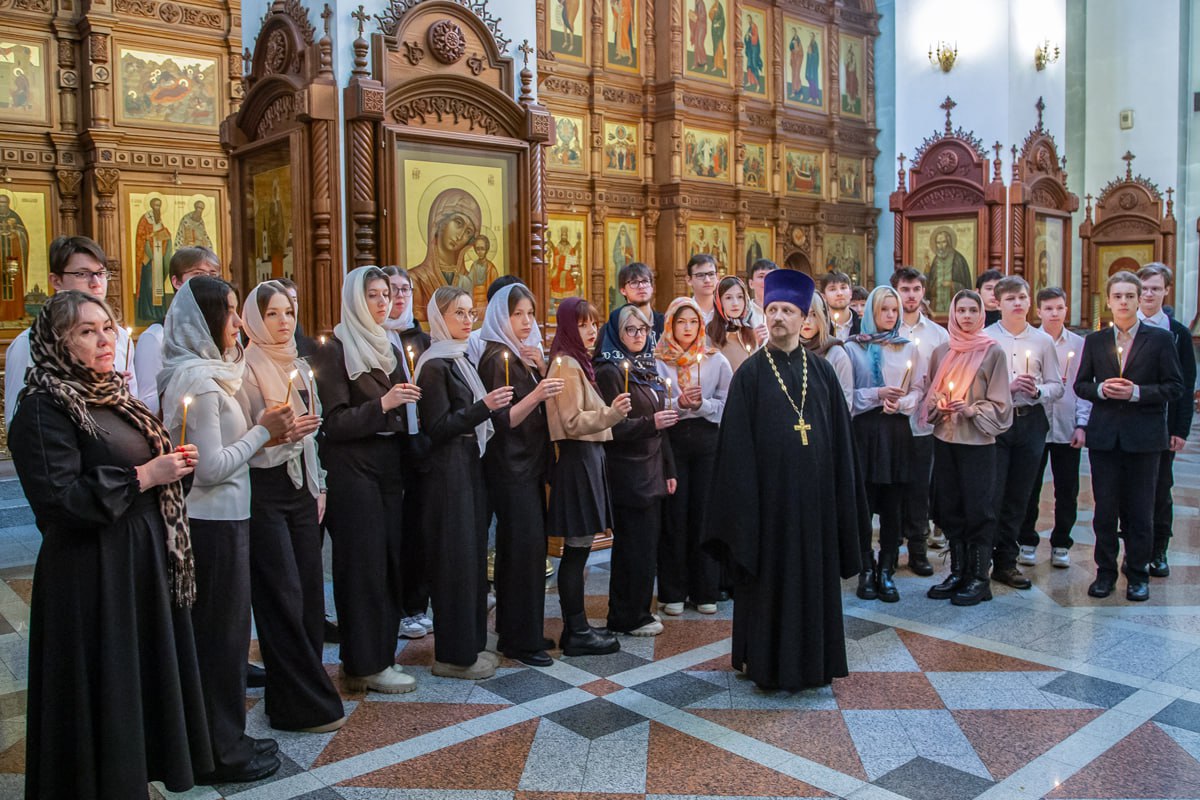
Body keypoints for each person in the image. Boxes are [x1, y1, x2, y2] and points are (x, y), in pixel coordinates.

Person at [10, 291, 212, 798]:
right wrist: (145, 475)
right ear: (58, 342)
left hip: (139, 561)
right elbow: (60, 501)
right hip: (92, 572)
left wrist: (174, 467)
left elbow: (147, 470)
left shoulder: (111, 396)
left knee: (136, 680)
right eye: (86, 331)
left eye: (108, 327)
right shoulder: (43, 408)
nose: (105, 339)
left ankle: (130, 778)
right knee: (103, 684)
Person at [702, 269, 867, 689]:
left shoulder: (824, 372)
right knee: (769, 583)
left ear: (804, 317)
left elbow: (842, 448)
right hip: (768, 509)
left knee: (813, 581)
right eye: (772, 309)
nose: (778, 317)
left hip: (814, 509)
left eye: (787, 311)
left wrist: (840, 500)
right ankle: (764, 662)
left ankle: (814, 663)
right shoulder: (751, 376)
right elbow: (735, 452)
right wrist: (746, 510)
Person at [159, 277, 296, 783]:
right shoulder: (197, 379)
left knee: (231, 638)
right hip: (210, 524)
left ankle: (227, 735)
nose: (239, 322)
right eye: (231, 312)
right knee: (218, 641)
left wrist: (268, 432)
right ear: (204, 319)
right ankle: (218, 749)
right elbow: (210, 467)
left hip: (229, 518)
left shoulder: (214, 373)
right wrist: (265, 429)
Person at [240, 281, 346, 733]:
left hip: (303, 490)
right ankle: (295, 703)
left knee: (307, 594)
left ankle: (302, 690)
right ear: (253, 320)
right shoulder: (245, 369)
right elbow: (249, 445)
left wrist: (319, 486)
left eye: (288, 312)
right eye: (272, 314)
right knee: (280, 594)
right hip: (266, 491)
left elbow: (313, 436)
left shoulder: (300, 365)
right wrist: (283, 437)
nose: (284, 322)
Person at [312, 266, 420, 693]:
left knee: (389, 562)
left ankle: (382, 654)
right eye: (372, 295)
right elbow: (333, 422)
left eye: (385, 294)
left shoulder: (388, 345)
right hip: (352, 470)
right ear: (356, 299)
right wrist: (386, 403)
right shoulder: (335, 349)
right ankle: (364, 661)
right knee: (363, 567)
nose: (382, 303)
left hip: (387, 466)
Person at [416, 286, 513, 677]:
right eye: (459, 313)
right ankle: (452, 655)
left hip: (468, 465)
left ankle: (472, 642)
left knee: (471, 556)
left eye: (471, 312)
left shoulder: (460, 357)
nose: (468, 319)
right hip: (447, 471)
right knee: (454, 560)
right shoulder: (433, 364)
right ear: (440, 318)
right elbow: (436, 428)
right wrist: (483, 407)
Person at [1075, 271, 1183, 602]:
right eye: (1117, 296)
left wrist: (1137, 392)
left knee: (1140, 509)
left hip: (1145, 438)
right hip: (1105, 437)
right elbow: (1081, 384)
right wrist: (1101, 389)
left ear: (1139, 300)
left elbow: (1175, 387)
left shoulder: (1160, 340)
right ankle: (1105, 572)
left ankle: (1137, 573)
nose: (1123, 301)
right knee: (1105, 509)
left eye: (1129, 296)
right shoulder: (1096, 341)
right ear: (1107, 302)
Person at [476, 284, 564, 666]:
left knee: (529, 554)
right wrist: (538, 392)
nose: (527, 321)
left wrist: (540, 369)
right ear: (500, 316)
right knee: (522, 553)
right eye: (518, 314)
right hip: (510, 470)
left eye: (530, 313)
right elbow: (502, 420)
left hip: (529, 467)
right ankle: (518, 640)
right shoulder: (497, 357)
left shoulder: (521, 355)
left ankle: (521, 630)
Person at [546, 297, 631, 654]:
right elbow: (571, 421)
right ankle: (576, 631)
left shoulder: (578, 362)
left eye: (594, 323)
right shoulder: (565, 364)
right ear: (568, 327)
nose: (592, 330)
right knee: (576, 551)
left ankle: (577, 627)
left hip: (586, 459)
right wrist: (611, 414)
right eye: (582, 324)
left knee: (579, 550)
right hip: (576, 460)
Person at [923, 290, 1012, 606]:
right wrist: (939, 405)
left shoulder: (993, 352)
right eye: (961, 310)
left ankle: (978, 577)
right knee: (949, 507)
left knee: (978, 509)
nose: (966, 316)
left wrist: (972, 410)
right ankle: (958, 571)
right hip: (945, 439)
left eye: (973, 310)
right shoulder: (942, 351)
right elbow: (930, 396)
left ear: (982, 314)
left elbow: (1002, 405)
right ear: (952, 313)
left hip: (977, 442)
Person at [595, 304, 678, 636]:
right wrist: (650, 423)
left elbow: (663, 425)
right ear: (617, 331)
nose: (638, 336)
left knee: (647, 546)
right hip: (627, 471)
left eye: (643, 330)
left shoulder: (648, 367)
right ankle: (625, 614)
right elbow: (611, 429)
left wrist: (669, 469)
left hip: (652, 468)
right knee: (632, 546)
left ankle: (640, 609)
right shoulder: (608, 371)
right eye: (631, 330)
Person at [5, 236, 138, 427]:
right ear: (56, 281)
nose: (96, 283)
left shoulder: (120, 337)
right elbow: (18, 421)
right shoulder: (30, 342)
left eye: (100, 273)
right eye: (82, 274)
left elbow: (134, 401)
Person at [983, 276, 1063, 590]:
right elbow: (978, 386)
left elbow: (1058, 386)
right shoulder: (987, 338)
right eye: (1010, 298)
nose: (1017, 303)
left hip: (1030, 421)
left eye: (1022, 297)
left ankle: (1007, 561)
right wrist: (1007, 388)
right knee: (994, 492)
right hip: (997, 423)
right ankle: (982, 559)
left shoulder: (1042, 341)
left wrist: (1038, 390)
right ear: (998, 303)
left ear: (1029, 302)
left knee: (1020, 495)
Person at [654, 297, 732, 615]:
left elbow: (728, 404)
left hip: (707, 441)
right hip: (672, 442)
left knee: (703, 513)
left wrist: (702, 406)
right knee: (674, 515)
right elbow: (653, 401)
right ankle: (673, 591)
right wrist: (677, 405)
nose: (687, 328)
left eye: (693, 322)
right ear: (670, 324)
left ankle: (705, 590)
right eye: (681, 322)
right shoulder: (659, 359)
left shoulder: (715, 360)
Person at [845, 286, 923, 602]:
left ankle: (887, 568)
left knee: (893, 505)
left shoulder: (906, 347)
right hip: (864, 430)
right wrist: (877, 395)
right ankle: (865, 567)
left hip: (895, 432)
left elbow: (918, 389)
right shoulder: (853, 347)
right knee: (864, 504)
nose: (890, 316)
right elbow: (846, 397)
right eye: (884, 310)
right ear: (870, 312)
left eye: (894, 311)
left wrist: (902, 403)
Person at [381, 266, 435, 639]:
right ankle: (396, 607)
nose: (399, 297)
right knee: (393, 528)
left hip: (421, 441)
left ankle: (417, 603)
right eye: (391, 291)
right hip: (388, 442)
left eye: (404, 290)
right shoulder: (375, 339)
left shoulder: (423, 340)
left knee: (418, 524)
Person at [1019, 287, 1089, 569]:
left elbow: (1082, 388)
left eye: (1059, 307)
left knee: (1067, 489)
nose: (1054, 313)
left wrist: (1082, 424)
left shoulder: (1079, 345)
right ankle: (1026, 540)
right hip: (1034, 426)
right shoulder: (1031, 341)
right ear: (1038, 311)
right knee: (1029, 486)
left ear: (1066, 310)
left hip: (1066, 424)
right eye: (1048, 308)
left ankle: (1061, 542)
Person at [1136, 263, 1196, 577]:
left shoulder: (1178, 333)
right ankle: (1133, 550)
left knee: (1160, 489)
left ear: (1166, 291)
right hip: (1129, 425)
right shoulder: (1123, 326)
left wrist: (1180, 429)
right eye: (1143, 288)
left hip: (1163, 426)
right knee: (1128, 491)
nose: (1148, 294)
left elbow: (1185, 385)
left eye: (1155, 288)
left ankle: (1159, 550)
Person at [892, 266, 949, 574]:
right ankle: (889, 548)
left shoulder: (938, 334)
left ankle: (918, 549)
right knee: (891, 487)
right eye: (905, 290)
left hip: (923, 423)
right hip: (892, 423)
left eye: (915, 290)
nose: (911, 296)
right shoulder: (887, 328)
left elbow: (944, 376)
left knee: (919, 488)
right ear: (896, 292)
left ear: (923, 292)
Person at [133, 246, 222, 415]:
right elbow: (147, 402)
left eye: (213, 275)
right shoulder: (155, 336)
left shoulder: (223, 331)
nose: (208, 282)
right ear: (177, 282)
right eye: (199, 274)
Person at [800, 293, 854, 409]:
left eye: (814, 315)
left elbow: (846, 402)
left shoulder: (836, 354)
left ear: (822, 316)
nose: (807, 321)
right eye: (803, 314)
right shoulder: (789, 352)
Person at [706, 276, 762, 372]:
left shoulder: (749, 330)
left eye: (740, 297)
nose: (735, 303)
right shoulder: (710, 332)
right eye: (728, 298)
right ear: (719, 301)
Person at [617, 261, 666, 340]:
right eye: (634, 282)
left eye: (645, 281)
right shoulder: (615, 325)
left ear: (652, 288)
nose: (641, 286)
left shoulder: (666, 324)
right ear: (623, 291)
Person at [820, 271, 860, 340]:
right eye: (832, 289)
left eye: (843, 288)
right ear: (824, 297)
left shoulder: (863, 325)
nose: (839, 293)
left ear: (850, 293)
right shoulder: (819, 327)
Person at [686, 253, 719, 323]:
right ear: (689, 280)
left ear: (717, 277)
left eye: (711, 274)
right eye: (700, 275)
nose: (707, 280)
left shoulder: (726, 309)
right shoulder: (683, 311)